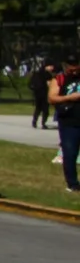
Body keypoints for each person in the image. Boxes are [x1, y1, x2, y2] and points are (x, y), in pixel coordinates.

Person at [52, 54, 80, 194]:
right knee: (70, 153)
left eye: (76, 65)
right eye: (71, 66)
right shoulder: (60, 79)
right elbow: (52, 98)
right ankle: (73, 184)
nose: (74, 69)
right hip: (69, 123)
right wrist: (71, 97)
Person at [29, 59, 55, 130]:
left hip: (37, 93)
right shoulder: (47, 74)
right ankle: (43, 123)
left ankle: (34, 122)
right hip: (44, 93)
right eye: (51, 66)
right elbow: (49, 84)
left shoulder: (37, 73)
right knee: (45, 109)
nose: (52, 68)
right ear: (47, 66)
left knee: (38, 108)